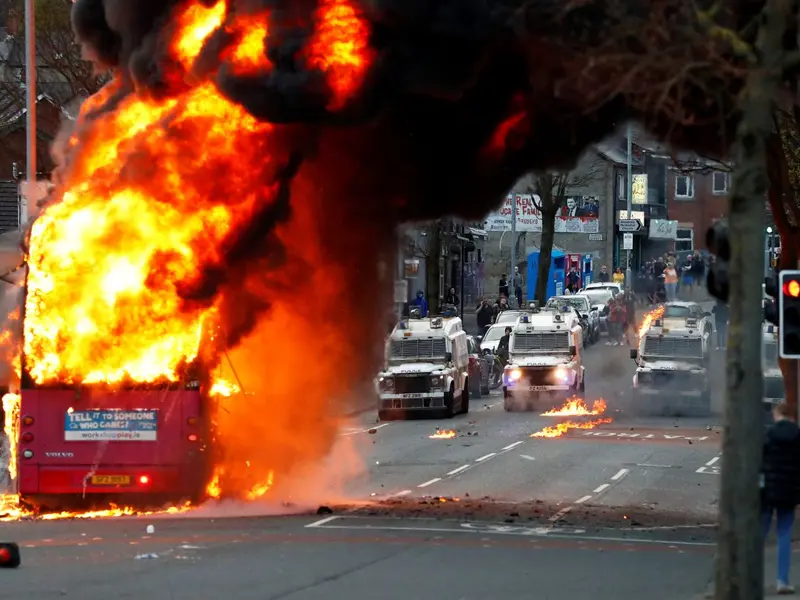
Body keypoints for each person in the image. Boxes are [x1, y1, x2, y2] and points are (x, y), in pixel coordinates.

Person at [762, 402, 800, 594]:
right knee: (784, 534)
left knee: (759, 534)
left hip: (768, 490)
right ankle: (782, 580)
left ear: (776, 415)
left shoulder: (768, 435)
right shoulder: (798, 435)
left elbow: (759, 461)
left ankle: (751, 576)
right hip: (789, 491)